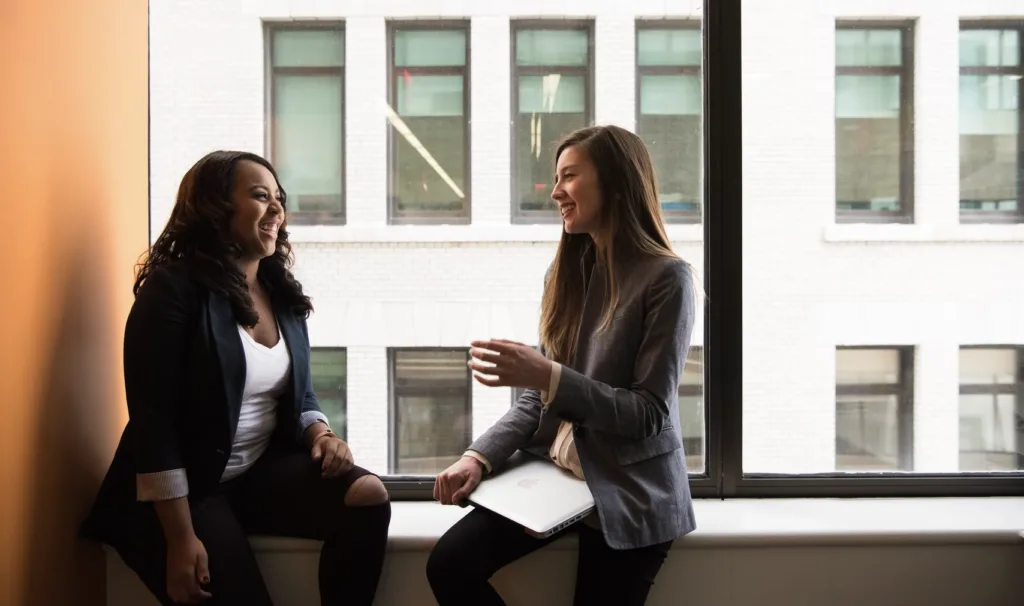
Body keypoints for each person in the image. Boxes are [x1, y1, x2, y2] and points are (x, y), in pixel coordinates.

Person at [80, 151, 391, 606]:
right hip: (184, 494)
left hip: (252, 473)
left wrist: (320, 431)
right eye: (260, 196)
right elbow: (155, 424)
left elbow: (297, 391)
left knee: (367, 496)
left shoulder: (279, 290)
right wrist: (180, 540)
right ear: (214, 207)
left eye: (279, 199)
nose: (276, 209)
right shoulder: (171, 291)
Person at [426, 125, 698, 606]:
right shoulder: (566, 272)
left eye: (569, 176)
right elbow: (538, 398)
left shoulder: (667, 278)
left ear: (615, 182)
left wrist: (548, 376)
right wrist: (478, 457)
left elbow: (649, 414)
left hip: (630, 489)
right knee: (449, 564)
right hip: (558, 480)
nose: (555, 192)